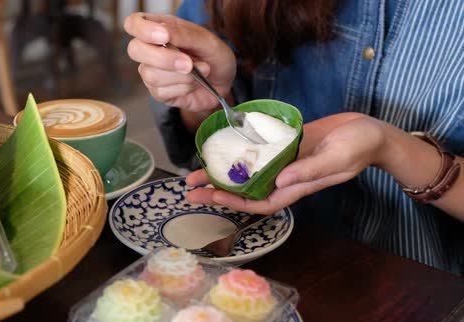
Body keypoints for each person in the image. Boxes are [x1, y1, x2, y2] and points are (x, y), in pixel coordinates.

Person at [123, 0, 464, 275]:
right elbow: (210, 141)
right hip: (253, 258)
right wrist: (203, 98)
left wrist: (393, 148)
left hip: (421, 285)